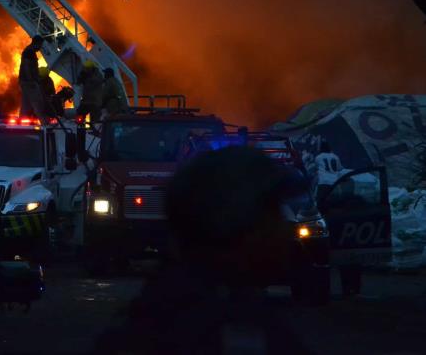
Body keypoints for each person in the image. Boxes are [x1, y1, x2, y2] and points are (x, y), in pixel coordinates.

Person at [93, 146, 313, 354]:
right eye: (271, 213)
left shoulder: (156, 315)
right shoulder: (229, 336)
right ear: (231, 224)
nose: (283, 228)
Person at [19, 35, 47, 122]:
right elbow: (26, 66)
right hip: (29, 82)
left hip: (25, 82)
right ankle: (44, 122)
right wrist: (31, 80)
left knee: (26, 104)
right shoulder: (29, 52)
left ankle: (22, 122)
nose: (40, 47)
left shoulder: (28, 51)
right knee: (38, 102)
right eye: (40, 45)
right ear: (37, 43)